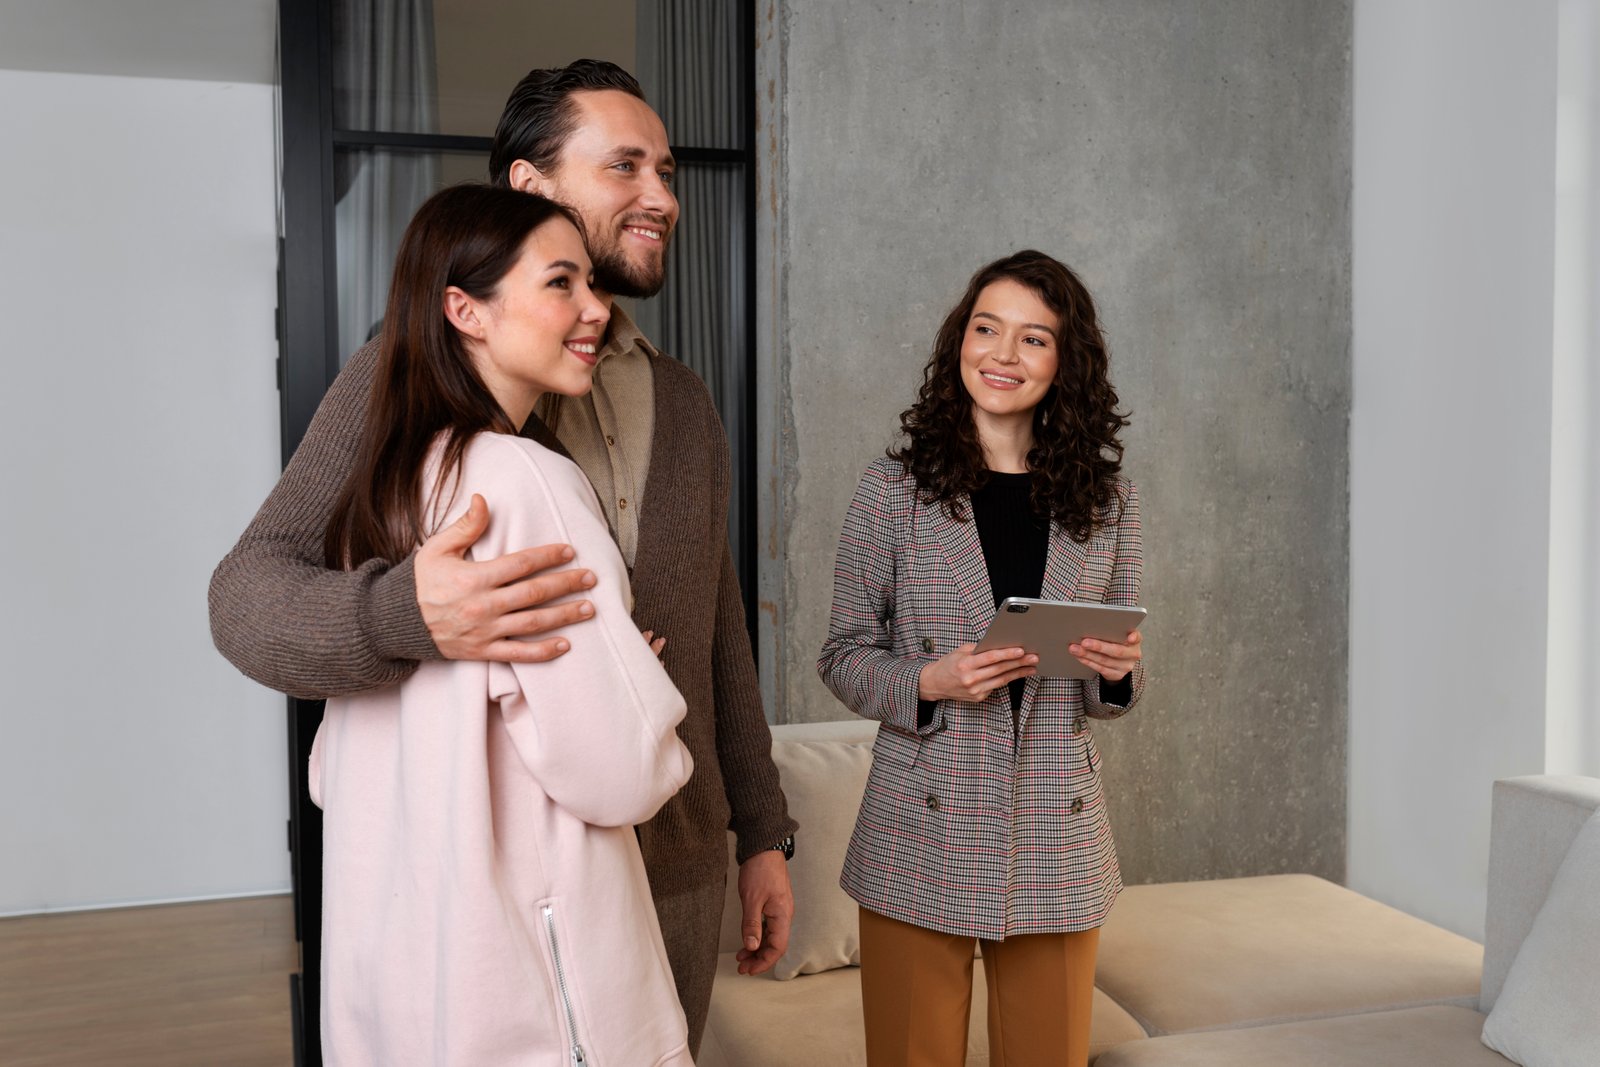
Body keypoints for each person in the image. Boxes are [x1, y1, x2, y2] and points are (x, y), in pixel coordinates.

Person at [208, 61, 796, 1055]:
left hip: (678, 861)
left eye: (666, 170)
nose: (662, 197)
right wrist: (407, 614)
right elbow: (246, 594)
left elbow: (718, 628)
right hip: (506, 882)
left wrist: (763, 830)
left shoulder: (684, 401)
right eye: (624, 167)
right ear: (530, 185)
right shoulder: (407, 381)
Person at [311, 183, 692, 1064]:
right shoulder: (526, 481)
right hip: (535, 993)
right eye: (560, 283)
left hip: (400, 977)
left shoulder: (381, 494)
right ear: (465, 311)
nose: (595, 307)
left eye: (589, 282)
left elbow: (332, 770)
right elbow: (622, 771)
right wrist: (636, 691)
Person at [817, 250, 1145, 1067]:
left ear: (1066, 362)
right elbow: (842, 653)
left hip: (1056, 828)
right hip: (919, 826)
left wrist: (1116, 671)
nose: (1003, 354)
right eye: (986, 328)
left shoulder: (1107, 503)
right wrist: (929, 680)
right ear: (958, 340)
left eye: (1033, 338)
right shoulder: (890, 491)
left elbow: (1116, 679)